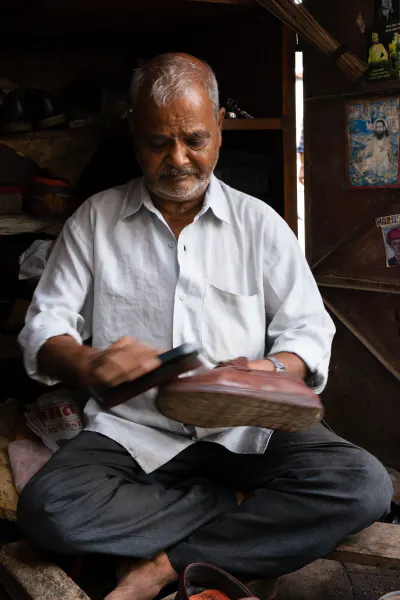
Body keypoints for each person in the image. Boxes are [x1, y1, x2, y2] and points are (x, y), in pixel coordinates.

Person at [17, 53, 393, 600]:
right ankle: (232, 511)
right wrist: (87, 361)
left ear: (219, 126)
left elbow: (308, 333)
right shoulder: (95, 221)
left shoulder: (259, 224)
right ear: (133, 134)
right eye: (156, 143)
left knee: (364, 486)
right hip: (134, 432)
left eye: (194, 139)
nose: (178, 159)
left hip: (249, 429)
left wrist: (268, 370)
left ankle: (169, 562)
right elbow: (43, 327)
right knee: (49, 510)